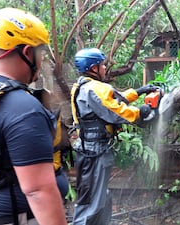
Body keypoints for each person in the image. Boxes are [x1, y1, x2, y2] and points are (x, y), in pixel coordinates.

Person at [0, 8, 67, 225]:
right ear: (26, 53)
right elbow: (38, 191)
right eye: (40, 53)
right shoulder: (22, 108)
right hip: (17, 218)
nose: (41, 62)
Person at [70, 48, 159, 225]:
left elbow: (112, 100)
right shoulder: (95, 88)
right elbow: (116, 112)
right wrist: (140, 113)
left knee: (100, 198)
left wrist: (139, 92)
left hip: (90, 150)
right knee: (91, 203)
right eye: (102, 65)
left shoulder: (83, 85)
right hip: (95, 153)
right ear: (94, 68)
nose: (105, 69)